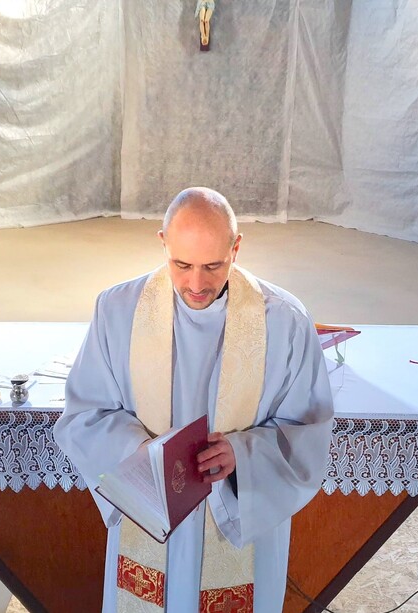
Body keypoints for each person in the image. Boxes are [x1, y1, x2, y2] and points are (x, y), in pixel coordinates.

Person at [54, 187, 333, 612]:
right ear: (162, 241)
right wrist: (142, 455)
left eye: (213, 265)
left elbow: (308, 435)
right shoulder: (117, 310)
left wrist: (241, 456)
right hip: (148, 516)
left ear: (236, 248)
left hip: (234, 515)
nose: (196, 284)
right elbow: (84, 416)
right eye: (181, 264)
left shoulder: (285, 322)